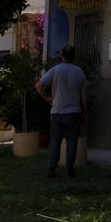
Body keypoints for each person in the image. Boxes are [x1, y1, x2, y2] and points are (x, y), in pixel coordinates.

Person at [35, 45, 89, 178]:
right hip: (74, 112)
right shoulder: (79, 72)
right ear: (73, 56)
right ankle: (70, 169)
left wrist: (47, 98)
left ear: (62, 56)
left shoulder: (55, 70)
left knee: (55, 141)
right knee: (72, 141)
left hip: (57, 111)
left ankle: (52, 169)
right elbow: (84, 95)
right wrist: (84, 111)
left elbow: (38, 85)